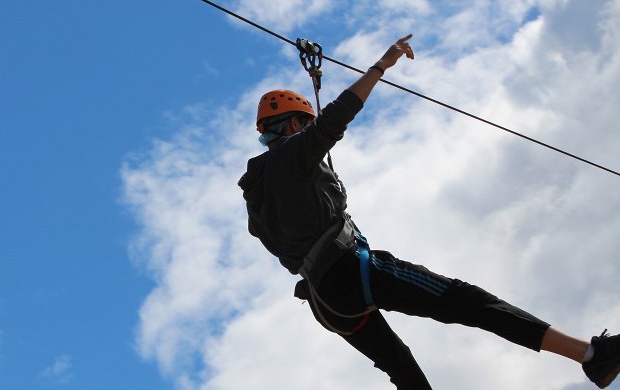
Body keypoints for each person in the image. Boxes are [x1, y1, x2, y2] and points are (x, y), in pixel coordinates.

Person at [237, 34, 620, 389]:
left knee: (400, 365)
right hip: (354, 270)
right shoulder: (290, 155)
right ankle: (592, 356)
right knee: (468, 301)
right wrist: (380, 67)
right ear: (292, 124)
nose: (310, 130)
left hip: (326, 301)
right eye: (305, 124)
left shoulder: (256, 195)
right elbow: (335, 119)